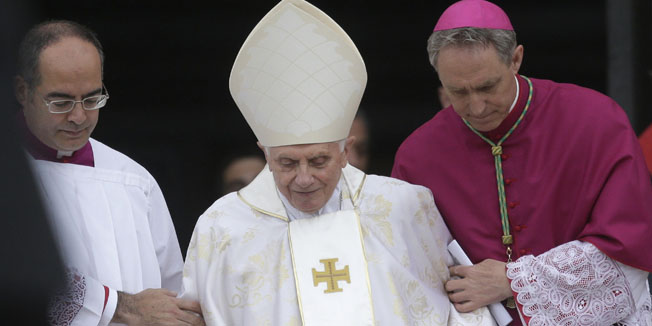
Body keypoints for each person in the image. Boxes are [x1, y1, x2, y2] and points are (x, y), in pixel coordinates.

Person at [181, 0, 494, 325]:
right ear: (265, 154)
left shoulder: (403, 206)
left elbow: (462, 307)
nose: (304, 178)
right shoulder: (221, 227)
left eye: (318, 161)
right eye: (288, 163)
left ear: (346, 151)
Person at [392, 1, 652, 325]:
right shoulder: (417, 156)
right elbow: (410, 275)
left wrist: (511, 282)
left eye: (487, 86)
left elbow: (626, 253)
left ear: (515, 59)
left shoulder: (596, 122)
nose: (477, 106)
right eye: (458, 91)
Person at [14, 20, 204, 325]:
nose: (78, 117)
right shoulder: (10, 175)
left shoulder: (133, 179)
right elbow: (19, 272)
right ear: (23, 91)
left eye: (92, 99)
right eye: (61, 101)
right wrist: (119, 305)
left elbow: (172, 294)